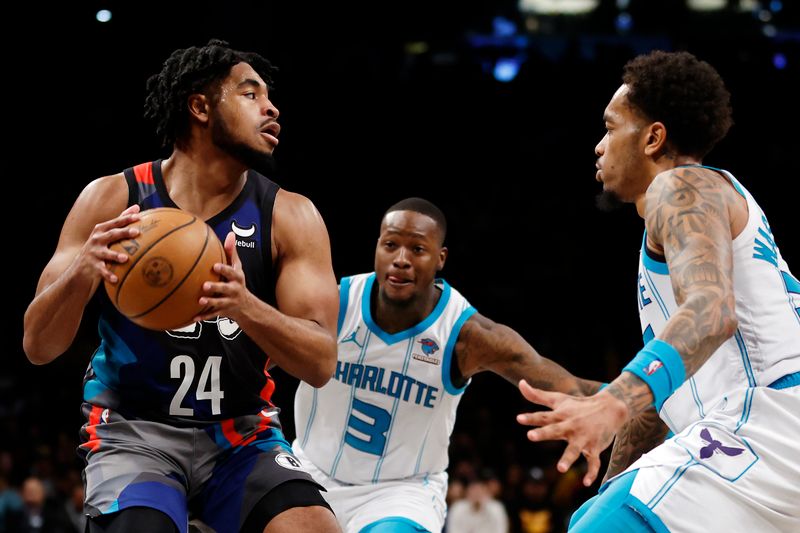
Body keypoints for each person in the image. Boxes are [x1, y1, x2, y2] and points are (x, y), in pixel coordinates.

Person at [22, 39, 341, 533]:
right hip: (133, 432)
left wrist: (244, 305)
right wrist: (84, 268)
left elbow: (321, 362)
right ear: (200, 107)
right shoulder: (113, 199)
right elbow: (38, 346)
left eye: (269, 97)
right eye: (250, 94)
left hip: (243, 435)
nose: (271, 107)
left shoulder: (290, 215)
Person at [516, 50, 800, 531]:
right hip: (760, 448)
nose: (599, 146)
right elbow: (659, 409)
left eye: (610, 127)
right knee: (593, 517)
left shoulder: (681, 187)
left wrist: (612, 401)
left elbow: (712, 312)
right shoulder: (695, 218)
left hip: (766, 423)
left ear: (653, 138)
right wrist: (609, 489)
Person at [293, 197, 602, 532]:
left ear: (440, 258)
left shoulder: (466, 335)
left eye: (417, 250)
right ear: (377, 248)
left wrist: (637, 396)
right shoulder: (334, 302)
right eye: (391, 245)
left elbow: (567, 384)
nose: (401, 260)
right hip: (309, 471)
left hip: (400, 492)